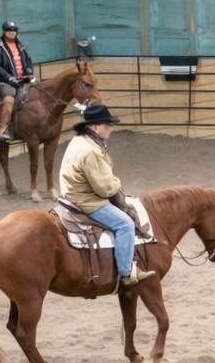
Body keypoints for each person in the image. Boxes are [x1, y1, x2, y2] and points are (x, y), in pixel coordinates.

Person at [57, 103, 157, 288]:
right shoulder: (92, 151)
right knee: (125, 224)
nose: (111, 128)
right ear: (95, 127)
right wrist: (117, 183)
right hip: (86, 200)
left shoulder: (79, 140)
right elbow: (105, 189)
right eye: (107, 125)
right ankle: (126, 273)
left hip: (70, 193)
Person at [0, 20, 35, 143]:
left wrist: (30, 71)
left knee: (37, 94)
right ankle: (4, 129)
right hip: (6, 81)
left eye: (15, 30)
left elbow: (28, 60)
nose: (13, 32)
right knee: (9, 101)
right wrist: (9, 77)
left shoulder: (20, 45)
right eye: (10, 30)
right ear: (4, 32)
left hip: (23, 79)